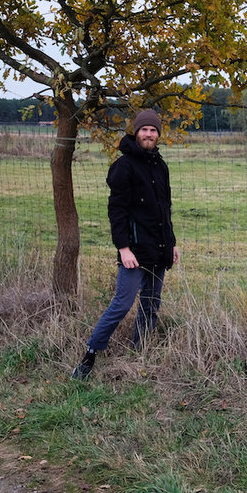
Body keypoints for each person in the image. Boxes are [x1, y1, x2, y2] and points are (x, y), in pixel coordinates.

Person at [71, 108, 179, 380]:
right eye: (144, 129)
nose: (149, 134)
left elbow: (164, 209)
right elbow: (116, 211)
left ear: (158, 134)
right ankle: (90, 355)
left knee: (151, 303)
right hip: (134, 250)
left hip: (159, 248)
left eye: (153, 130)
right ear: (136, 132)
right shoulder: (124, 166)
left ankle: (138, 352)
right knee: (121, 304)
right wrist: (124, 248)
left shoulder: (160, 165)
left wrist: (172, 243)